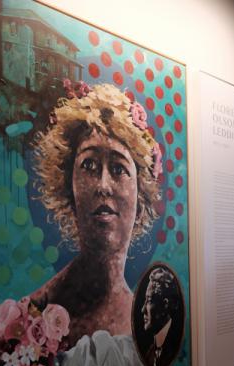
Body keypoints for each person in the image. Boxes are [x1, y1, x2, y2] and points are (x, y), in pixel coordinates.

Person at [31, 80, 163, 347]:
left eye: (118, 169)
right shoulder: (33, 315)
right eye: (89, 165)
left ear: (141, 195)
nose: (103, 186)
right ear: (68, 186)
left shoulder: (146, 324)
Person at [141, 265, 184, 366]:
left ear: (165, 305)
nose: (143, 309)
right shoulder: (149, 354)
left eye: (149, 300)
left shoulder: (176, 346)